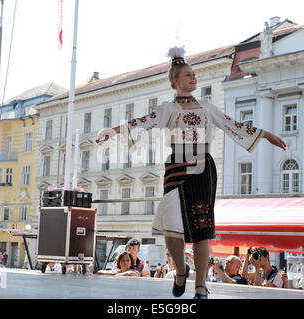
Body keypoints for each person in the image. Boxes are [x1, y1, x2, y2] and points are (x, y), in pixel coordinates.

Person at [96, 47, 286, 299]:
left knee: (200, 228)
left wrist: (264, 134)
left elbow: (233, 124)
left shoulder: (207, 107)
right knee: (172, 228)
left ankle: (200, 285)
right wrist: (114, 130)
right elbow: (144, 121)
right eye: (187, 75)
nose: (193, 78)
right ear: (175, 81)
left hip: (203, 168)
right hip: (177, 165)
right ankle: (181, 270)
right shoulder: (168, 108)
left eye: (194, 74)